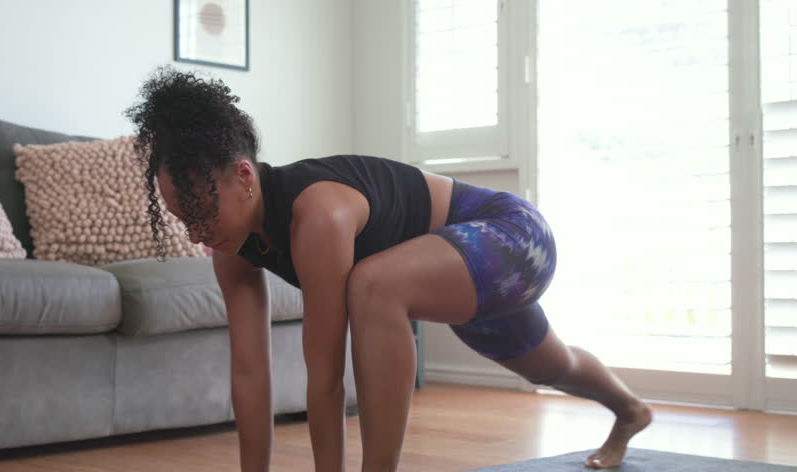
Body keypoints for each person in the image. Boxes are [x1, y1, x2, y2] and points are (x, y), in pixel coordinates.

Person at [124, 68, 653, 472]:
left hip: (510, 237)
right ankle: (629, 409)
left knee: (372, 286)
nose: (195, 233)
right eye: (181, 219)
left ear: (244, 177)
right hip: (460, 269)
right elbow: (249, 374)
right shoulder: (228, 245)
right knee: (550, 367)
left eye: (201, 213)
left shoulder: (319, 212)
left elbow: (327, 376)